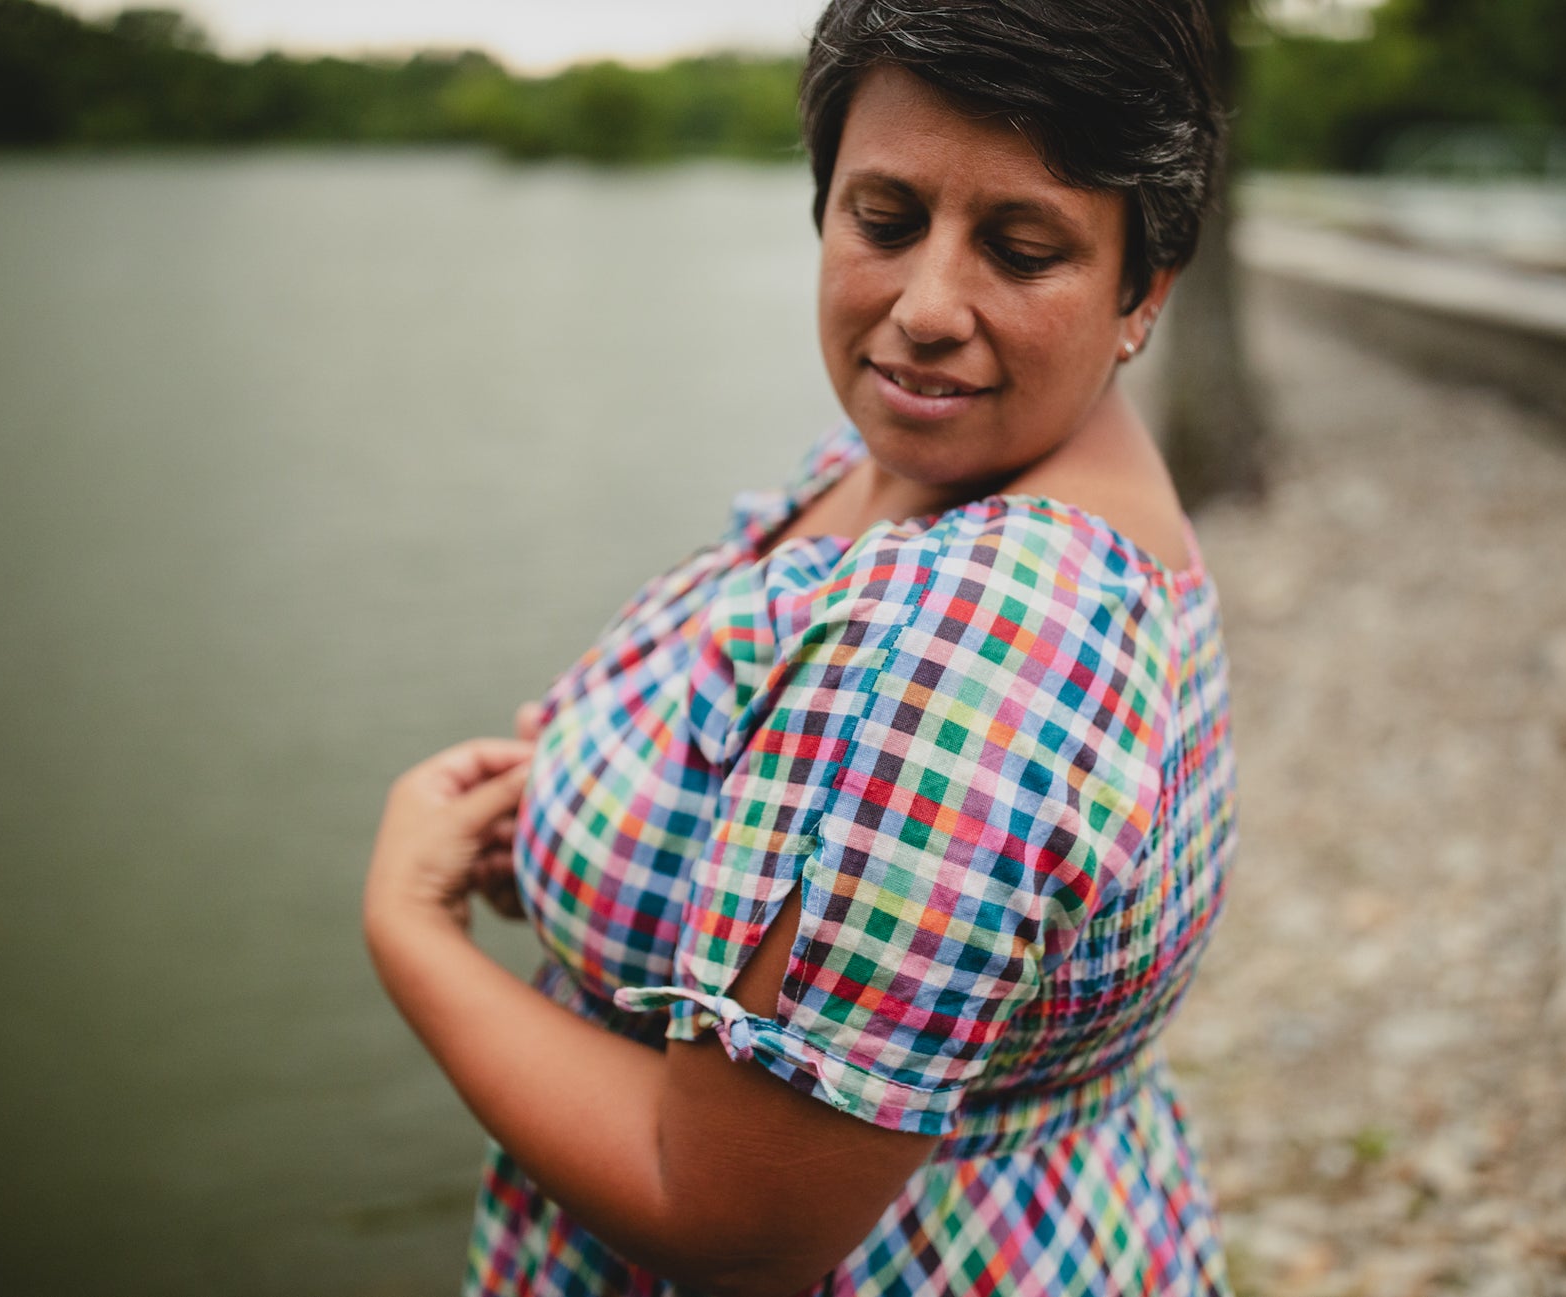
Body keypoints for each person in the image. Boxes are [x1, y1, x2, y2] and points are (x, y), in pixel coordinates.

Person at [363, 0, 1240, 1291]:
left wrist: (409, 924)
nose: (927, 308)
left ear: (1141, 289)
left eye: (1021, 249)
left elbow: (729, 1218)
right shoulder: (932, 452)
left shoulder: (968, 632)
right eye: (883, 220)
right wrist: (583, 806)